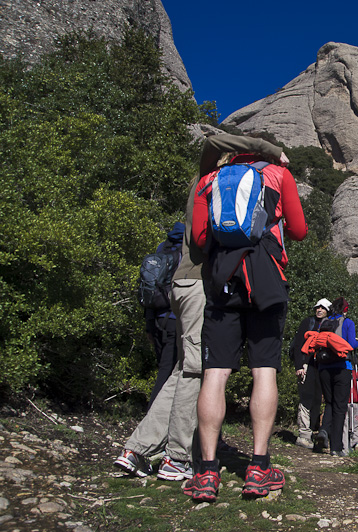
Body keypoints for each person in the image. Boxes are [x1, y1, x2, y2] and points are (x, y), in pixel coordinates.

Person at [114, 134, 288, 481]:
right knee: (198, 371)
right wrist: (269, 150)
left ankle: (137, 448)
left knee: (184, 368)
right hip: (199, 283)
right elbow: (213, 142)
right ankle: (178, 457)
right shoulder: (213, 178)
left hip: (183, 283)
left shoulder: (208, 182)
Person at [183, 136, 307, 503]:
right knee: (264, 370)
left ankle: (206, 473)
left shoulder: (210, 180)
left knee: (216, 373)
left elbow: (200, 237)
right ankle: (258, 467)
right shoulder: (278, 174)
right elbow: (298, 232)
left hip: (224, 280)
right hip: (266, 279)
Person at [144, 222, 184, 408]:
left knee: (164, 368)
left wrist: (149, 325)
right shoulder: (187, 253)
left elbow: (150, 288)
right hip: (174, 319)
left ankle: (158, 418)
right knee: (169, 372)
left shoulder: (162, 249)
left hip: (157, 317)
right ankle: (152, 420)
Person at [314, 297, 358, 457]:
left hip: (324, 367)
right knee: (340, 408)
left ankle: (324, 430)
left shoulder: (324, 323)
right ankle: (336, 447)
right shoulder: (347, 323)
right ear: (345, 309)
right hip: (342, 368)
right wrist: (356, 343)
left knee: (330, 403)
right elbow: (351, 344)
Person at [290, 298, 331, 449]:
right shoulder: (307, 323)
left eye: (323, 308)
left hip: (322, 367)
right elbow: (298, 344)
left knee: (317, 400)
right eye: (317, 308)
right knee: (306, 398)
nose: (319, 310)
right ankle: (303, 435)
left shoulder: (330, 325)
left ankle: (313, 431)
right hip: (308, 366)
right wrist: (299, 365)